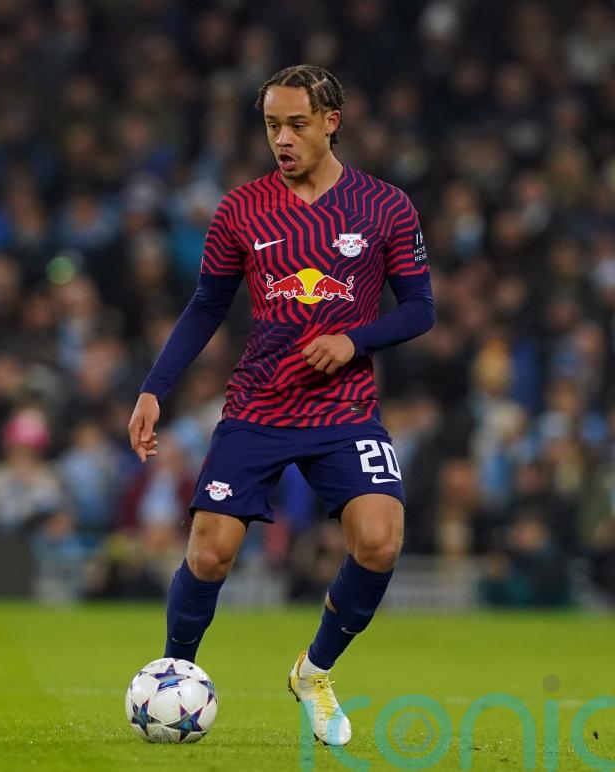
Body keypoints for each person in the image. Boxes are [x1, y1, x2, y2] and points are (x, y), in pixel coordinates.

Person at [128, 64, 435, 746]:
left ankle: (314, 672)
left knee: (380, 541)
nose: (282, 139)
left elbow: (420, 308)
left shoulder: (386, 206)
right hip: (258, 407)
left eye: (297, 124)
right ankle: (174, 676)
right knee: (210, 555)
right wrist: (154, 386)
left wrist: (354, 340)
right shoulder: (241, 208)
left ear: (332, 121)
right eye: (272, 125)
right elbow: (206, 305)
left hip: (345, 409)